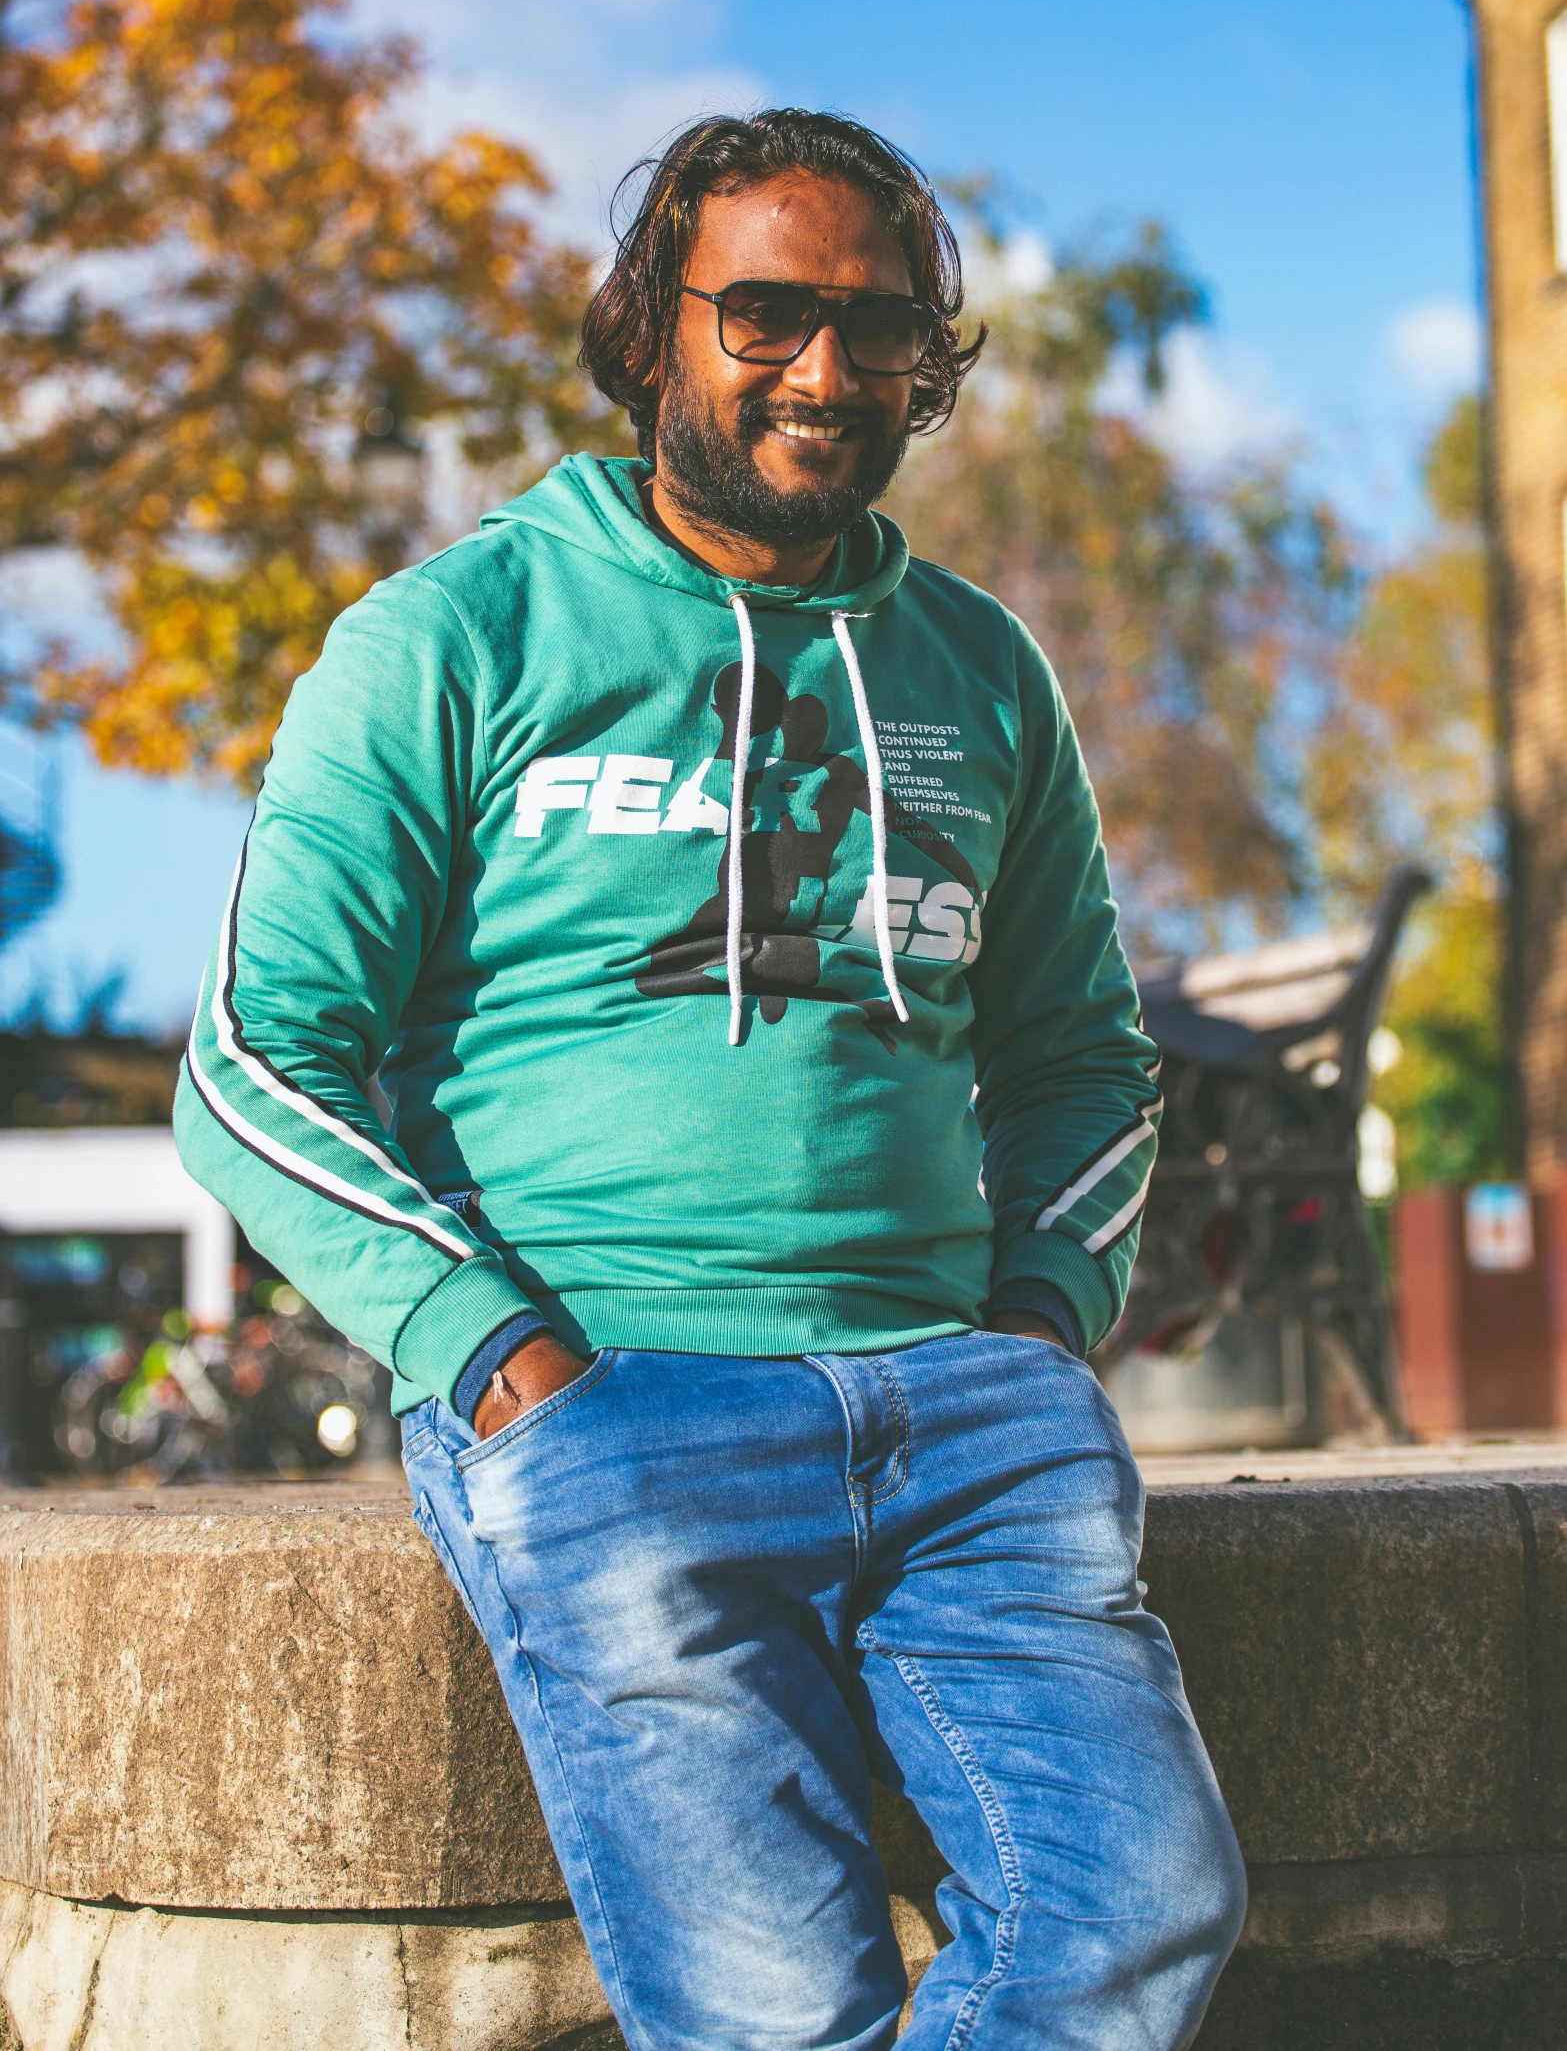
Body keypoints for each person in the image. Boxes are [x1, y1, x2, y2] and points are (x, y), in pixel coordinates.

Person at [175, 108, 1246, 2048]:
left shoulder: (982, 670)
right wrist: (509, 1365)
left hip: (963, 1413)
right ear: (652, 322)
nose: (826, 368)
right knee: (771, 2006)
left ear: (930, 354)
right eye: (764, 309)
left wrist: (1038, 1322)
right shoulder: (456, 634)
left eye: (880, 320)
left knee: (1139, 1909)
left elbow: (1084, 1051)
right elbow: (258, 1058)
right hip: (613, 1396)